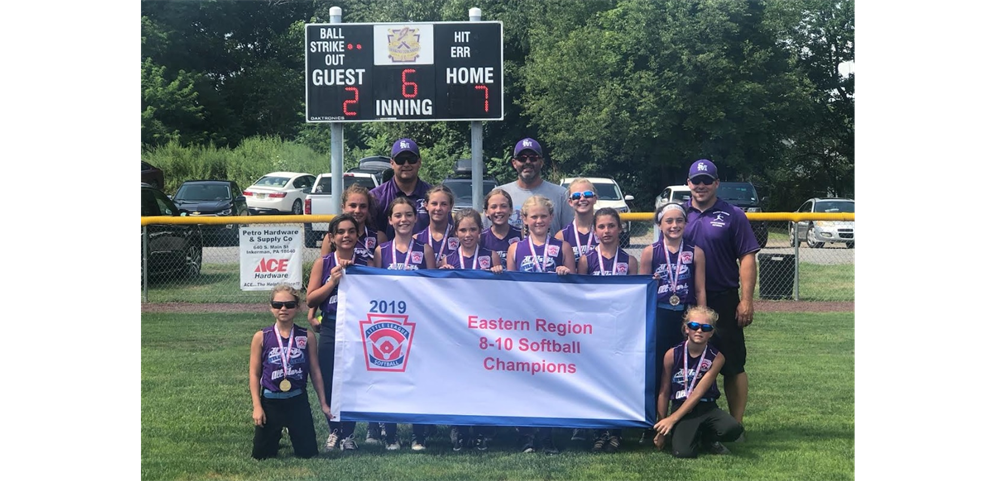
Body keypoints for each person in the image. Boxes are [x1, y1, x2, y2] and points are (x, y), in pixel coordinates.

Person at [683, 159, 760, 429]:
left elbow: (747, 258)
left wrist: (746, 300)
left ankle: (735, 426)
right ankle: (681, 422)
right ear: (688, 183)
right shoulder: (678, 215)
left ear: (717, 183)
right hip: (683, 299)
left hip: (722, 298)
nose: (701, 185)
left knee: (732, 363)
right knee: (681, 362)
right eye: (696, 180)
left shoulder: (733, 215)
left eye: (707, 180)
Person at [506, 195, 574, 455]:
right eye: (533, 216)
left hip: (553, 325)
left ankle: (547, 435)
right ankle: (526, 435)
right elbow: (510, 288)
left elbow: (575, 290)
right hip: (525, 323)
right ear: (524, 219)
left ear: (551, 218)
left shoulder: (562, 247)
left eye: (543, 216)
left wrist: (567, 274)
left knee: (549, 379)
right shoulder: (515, 249)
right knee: (525, 378)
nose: (538, 220)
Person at [638, 202, 707, 444]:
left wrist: (701, 318)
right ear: (660, 225)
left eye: (679, 220)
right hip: (659, 316)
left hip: (685, 318)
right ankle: (654, 423)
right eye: (669, 221)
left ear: (686, 224)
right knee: (657, 371)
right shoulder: (650, 251)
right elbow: (642, 291)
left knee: (685, 368)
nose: (674, 225)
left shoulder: (695, 252)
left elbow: (700, 289)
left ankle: (687, 421)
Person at [372, 197, 436, 451]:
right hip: (391, 324)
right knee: (391, 380)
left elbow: (434, 289)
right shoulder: (381, 251)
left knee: (417, 378)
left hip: (418, 323)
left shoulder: (425, 250)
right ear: (390, 220)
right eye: (398, 215)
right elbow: (373, 288)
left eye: (408, 214)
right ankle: (391, 435)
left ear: (415, 217)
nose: (403, 220)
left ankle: (418, 435)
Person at [438, 208, 502, 451]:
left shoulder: (491, 256)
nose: (468, 234)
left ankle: (484, 430)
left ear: (480, 231)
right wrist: (440, 276)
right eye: (463, 230)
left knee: (485, 379)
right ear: (455, 232)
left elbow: (501, 294)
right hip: (458, 331)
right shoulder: (448, 260)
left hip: (485, 329)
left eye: (473, 229)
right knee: (460, 379)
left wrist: (498, 274)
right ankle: (460, 429)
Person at [576, 207, 638, 453]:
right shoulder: (586, 260)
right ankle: (597, 430)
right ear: (594, 231)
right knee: (595, 378)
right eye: (601, 226)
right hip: (594, 330)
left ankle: (615, 431)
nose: (606, 231)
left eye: (611, 225)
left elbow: (637, 298)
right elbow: (580, 297)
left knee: (617, 379)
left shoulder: (629, 261)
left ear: (620, 228)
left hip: (621, 329)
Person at [305, 214, 369, 452]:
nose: (346, 236)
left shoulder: (366, 262)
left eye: (351, 231)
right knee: (329, 379)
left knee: (352, 379)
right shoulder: (323, 263)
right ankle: (334, 431)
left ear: (357, 234)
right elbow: (310, 298)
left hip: (357, 327)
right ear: (332, 237)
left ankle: (349, 434)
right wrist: (332, 281)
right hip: (331, 325)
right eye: (340, 232)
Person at [249, 284, 332, 459]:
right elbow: (254, 374)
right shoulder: (261, 337)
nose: (283, 309)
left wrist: (323, 403)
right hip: (271, 402)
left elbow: (315, 372)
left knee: (308, 454)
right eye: (278, 305)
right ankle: (274, 435)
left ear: (298, 307)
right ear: (271, 307)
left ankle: (293, 432)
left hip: (297, 401)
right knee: (261, 455)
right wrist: (257, 406)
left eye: (289, 305)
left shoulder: (306, 336)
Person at [653, 306, 745, 457]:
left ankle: (708, 438)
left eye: (705, 327)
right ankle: (696, 436)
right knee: (683, 452)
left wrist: (672, 419)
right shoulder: (671, 355)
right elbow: (664, 391)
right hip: (681, 407)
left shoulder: (717, 357)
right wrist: (662, 425)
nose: (699, 331)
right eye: (694, 326)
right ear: (686, 329)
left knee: (733, 429)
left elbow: (698, 393)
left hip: (707, 407)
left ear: (711, 333)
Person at [497, 138, 573, 235]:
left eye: (533, 158)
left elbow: (569, 234)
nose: (528, 162)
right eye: (522, 158)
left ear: (541, 162)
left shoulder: (561, 194)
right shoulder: (500, 195)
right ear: (514, 163)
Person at [370, 138, 433, 240]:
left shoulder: (433, 196)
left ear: (419, 162)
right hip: (388, 255)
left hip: (427, 254)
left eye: (411, 159)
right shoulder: (376, 197)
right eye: (400, 160)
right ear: (392, 163)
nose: (406, 164)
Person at [556, 178, 600, 266]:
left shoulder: (604, 231)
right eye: (576, 196)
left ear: (595, 199)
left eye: (587, 195)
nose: (582, 199)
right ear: (570, 202)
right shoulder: (562, 236)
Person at [415, 185, 458, 266]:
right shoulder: (416, 239)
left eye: (444, 204)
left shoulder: (460, 238)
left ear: (450, 206)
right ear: (426, 205)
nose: (438, 208)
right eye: (434, 203)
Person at [480, 188, 522, 266]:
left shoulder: (521, 236)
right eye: (493, 207)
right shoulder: (481, 238)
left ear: (511, 210)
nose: (498, 210)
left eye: (503, 206)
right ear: (486, 212)